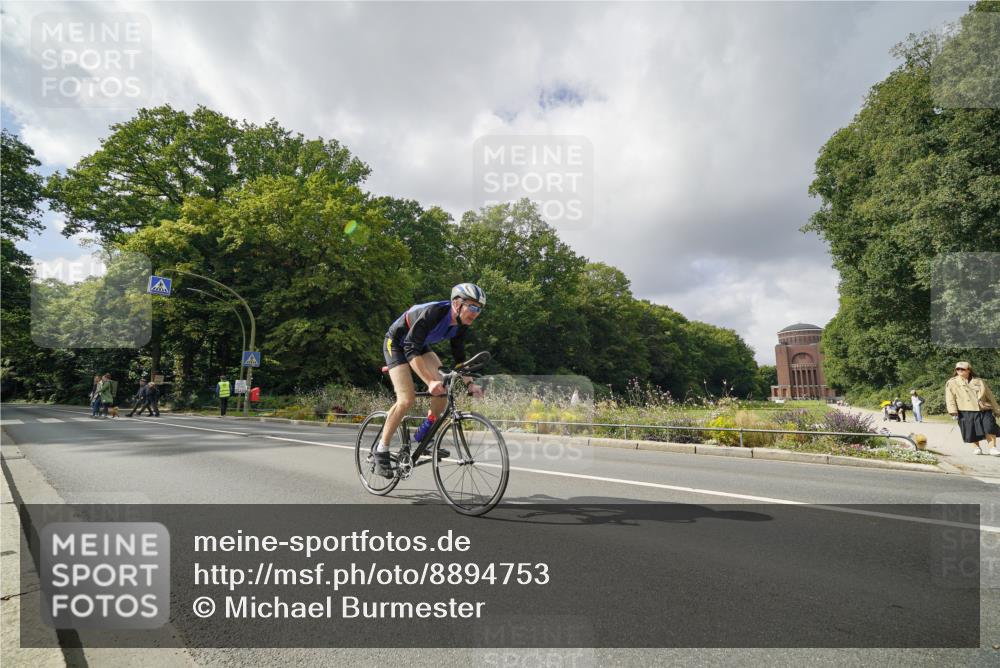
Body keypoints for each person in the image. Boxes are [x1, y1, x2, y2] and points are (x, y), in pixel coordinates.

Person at [373, 283, 486, 477]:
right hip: (398, 344)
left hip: (420, 346)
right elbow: (409, 347)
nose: (476, 313)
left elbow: (459, 360)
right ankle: (381, 450)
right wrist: (429, 381)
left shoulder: (461, 326)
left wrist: (470, 384)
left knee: (444, 386)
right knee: (406, 399)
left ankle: (424, 434)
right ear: (457, 303)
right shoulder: (434, 313)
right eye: (473, 307)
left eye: (480, 309)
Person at [945, 361, 1000, 456]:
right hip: (965, 410)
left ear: (969, 370)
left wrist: (997, 410)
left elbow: (990, 396)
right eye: (958, 369)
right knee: (970, 430)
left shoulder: (979, 381)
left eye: (962, 369)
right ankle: (976, 447)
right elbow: (950, 398)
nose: (960, 370)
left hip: (983, 408)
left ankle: (993, 448)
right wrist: (953, 412)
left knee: (989, 427)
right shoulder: (952, 382)